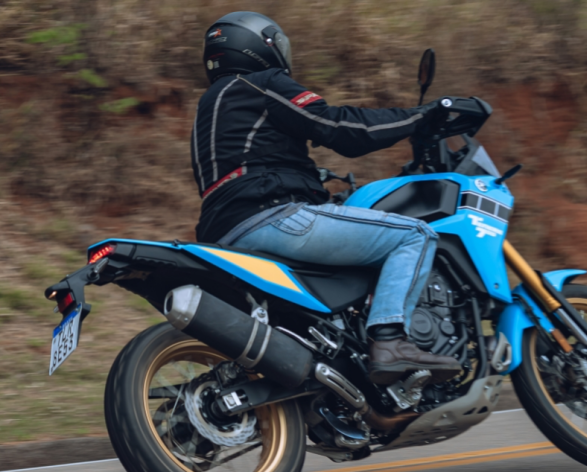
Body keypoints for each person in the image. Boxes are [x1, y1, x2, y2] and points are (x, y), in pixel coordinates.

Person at [191, 12, 461, 385]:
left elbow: (252, 160)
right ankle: (390, 340)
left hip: (223, 232)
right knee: (415, 235)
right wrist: (422, 116)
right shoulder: (263, 83)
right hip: (273, 217)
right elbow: (341, 127)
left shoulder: (210, 107)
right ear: (262, 46)